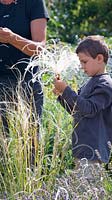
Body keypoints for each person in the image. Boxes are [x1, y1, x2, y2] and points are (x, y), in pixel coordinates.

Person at [53, 36, 112, 180]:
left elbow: (89, 109)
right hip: (83, 149)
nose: (82, 66)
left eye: (84, 62)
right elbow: (78, 111)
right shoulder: (92, 82)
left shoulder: (104, 85)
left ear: (99, 58)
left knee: (88, 190)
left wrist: (67, 89)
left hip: (94, 151)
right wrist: (62, 95)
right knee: (82, 190)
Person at [0, 0, 49, 165]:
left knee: (30, 143)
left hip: (27, 82)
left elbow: (40, 49)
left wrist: (12, 38)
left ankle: (29, 187)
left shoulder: (33, 2)